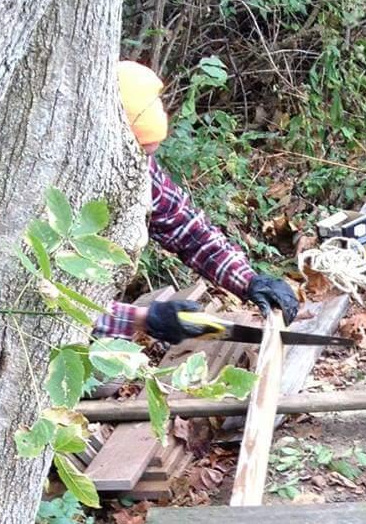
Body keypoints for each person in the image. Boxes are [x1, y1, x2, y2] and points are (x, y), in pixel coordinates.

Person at [96, 61, 299, 346]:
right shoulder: (49, 189)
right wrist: (142, 319)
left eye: (146, 154)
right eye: (137, 151)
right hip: (41, 328)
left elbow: (186, 228)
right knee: (107, 381)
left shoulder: (138, 168)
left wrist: (249, 280)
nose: (140, 163)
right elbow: (46, 302)